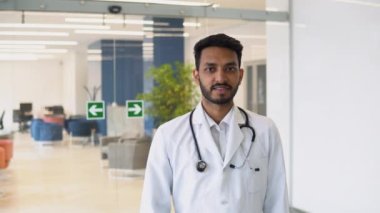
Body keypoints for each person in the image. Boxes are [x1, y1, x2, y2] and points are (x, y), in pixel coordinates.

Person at [140, 33, 289, 213]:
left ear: (240, 75)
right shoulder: (168, 135)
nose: (220, 78)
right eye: (210, 69)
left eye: (229, 68)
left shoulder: (265, 130)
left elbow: (277, 200)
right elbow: (153, 206)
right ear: (196, 76)